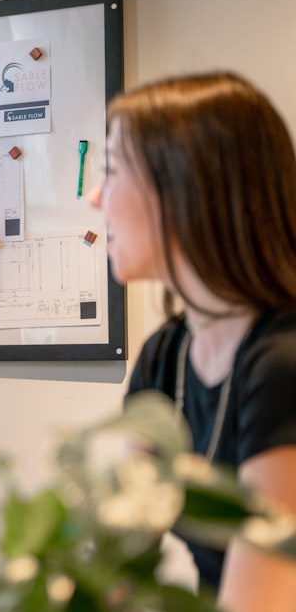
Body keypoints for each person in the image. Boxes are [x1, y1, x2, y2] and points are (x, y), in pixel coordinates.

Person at [90, 72, 296, 611]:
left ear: (184, 187)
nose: (96, 198)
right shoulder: (167, 355)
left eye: (111, 171)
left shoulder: (283, 364)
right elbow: (118, 555)